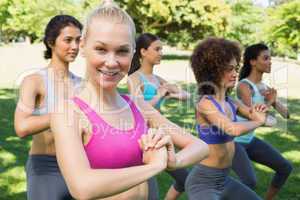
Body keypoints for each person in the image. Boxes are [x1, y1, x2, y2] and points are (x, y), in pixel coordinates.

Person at [50, 1, 209, 200]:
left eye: (122, 51)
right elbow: (82, 187)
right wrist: (153, 166)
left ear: (133, 52)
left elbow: (200, 146)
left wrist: (173, 160)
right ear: (82, 46)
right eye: (100, 49)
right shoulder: (68, 112)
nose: (111, 62)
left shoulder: (137, 106)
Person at [185, 37, 268, 200]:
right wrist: (259, 120)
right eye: (229, 69)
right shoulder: (205, 104)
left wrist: (260, 110)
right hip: (203, 182)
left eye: (235, 68)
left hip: (224, 179)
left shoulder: (231, 102)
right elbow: (232, 129)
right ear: (213, 71)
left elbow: (255, 114)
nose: (235, 74)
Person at [14, 15, 82, 200]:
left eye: (78, 40)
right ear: (51, 42)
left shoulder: (83, 85)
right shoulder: (34, 81)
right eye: (68, 40)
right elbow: (21, 127)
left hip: (79, 165)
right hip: (46, 166)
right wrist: (62, 113)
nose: (75, 46)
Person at [127, 33, 190, 200]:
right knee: (146, 189)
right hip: (144, 138)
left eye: (161, 49)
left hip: (159, 134)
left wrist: (170, 94)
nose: (161, 52)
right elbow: (139, 108)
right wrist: (162, 93)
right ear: (143, 52)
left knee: (184, 178)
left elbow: (186, 96)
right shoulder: (134, 78)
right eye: (157, 49)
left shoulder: (157, 79)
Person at [232, 43, 293, 200]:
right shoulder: (244, 86)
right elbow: (251, 115)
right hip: (235, 141)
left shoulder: (264, 87)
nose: (270, 62)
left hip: (249, 140)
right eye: (265, 58)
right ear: (253, 61)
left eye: (270, 58)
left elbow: (286, 114)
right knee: (249, 182)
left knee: (285, 167)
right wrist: (269, 102)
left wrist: (274, 101)